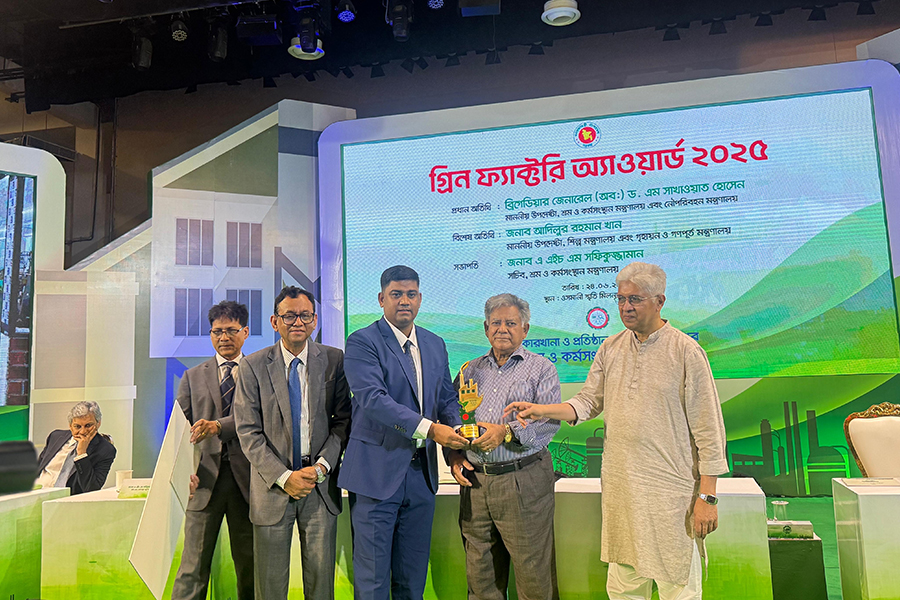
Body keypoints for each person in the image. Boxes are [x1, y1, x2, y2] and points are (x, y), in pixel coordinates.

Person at [505, 262, 728, 600]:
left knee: (678, 587)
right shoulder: (610, 347)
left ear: (660, 301)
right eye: (621, 298)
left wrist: (707, 498)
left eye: (635, 299)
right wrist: (542, 410)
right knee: (624, 587)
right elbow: (587, 402)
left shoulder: (685, 351)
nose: (625, 307)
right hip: (622, 492)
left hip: (671, 496)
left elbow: (709, 430)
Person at [338, 265, 469, 600]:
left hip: (421, 476)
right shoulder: (362, 341)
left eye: (411, 294)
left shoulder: (434, 343)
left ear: (420, 299)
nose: (404, 301)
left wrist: (455, 448)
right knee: (373, 582)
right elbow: (373, 399)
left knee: (412, 581)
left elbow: (446, 400)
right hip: (376, 474)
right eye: (396, 294)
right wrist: (431, 430)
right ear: (381, 299)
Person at [235, 286, 351, 600]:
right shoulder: (252, 366)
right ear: (275, 321)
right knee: (270, 589)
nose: (297, 322)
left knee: (321, 588)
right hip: (273, 488)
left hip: (319, 486)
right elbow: (248, 432)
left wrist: (322, 468)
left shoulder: (334, 360)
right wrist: (285, 477)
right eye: (289, 316)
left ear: (315, 321)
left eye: (305, 315)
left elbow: (343, 421)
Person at [446, 293, 561, 600]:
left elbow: (548, 424)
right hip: (476, 483)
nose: (502, 329)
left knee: (533, 576)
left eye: (511, 323)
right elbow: (451, 417)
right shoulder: (468, 370)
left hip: (523, 480)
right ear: (486, 328)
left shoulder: (541, 369)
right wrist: (454, 455)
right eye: (496, 323)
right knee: (480, 576)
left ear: (525, 329)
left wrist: (506, 432)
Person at [172, 300, 254, 600]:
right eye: (217, 331)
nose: (224, 337)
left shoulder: (259, 372)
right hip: (204, 481)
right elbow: (179, 432)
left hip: (249, 482)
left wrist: (218, 426)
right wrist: (183, 472)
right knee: (192, 567)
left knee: (250, 566)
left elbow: (257, 420)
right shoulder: (192, 376)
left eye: (231, 330)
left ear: (245, 332)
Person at [35, 400, 116, 495]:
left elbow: (91, 489)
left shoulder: (105, 450)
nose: (82, 431)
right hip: (35, 492)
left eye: (88, 426)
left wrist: (81, 453)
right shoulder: (55, 437)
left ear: (98, 423)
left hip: (65, 499)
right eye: (77, 426)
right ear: (70, 426)